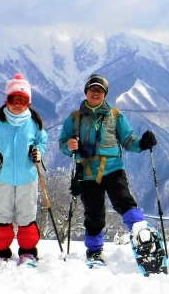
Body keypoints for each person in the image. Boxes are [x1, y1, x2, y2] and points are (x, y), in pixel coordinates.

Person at [58, 73, 160, 268]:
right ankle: (94, 252)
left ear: (104, 94)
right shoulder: (74, 118)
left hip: (113, 168)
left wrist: (143, 144)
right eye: (92, 89)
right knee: (94, 213)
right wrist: (68, 146)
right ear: (86, 92)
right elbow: (62, 144)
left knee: (124, 200)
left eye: (100, 90)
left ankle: (141, 232)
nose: (96, 93)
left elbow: (129, 141)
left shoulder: (115, 115)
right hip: (87, 172)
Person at [0, 74, 48, 267]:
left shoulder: (34, 123)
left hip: (28, 177)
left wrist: (38, 152)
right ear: (6, 101)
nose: (17, 104)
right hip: (3, 178)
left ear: (29, 102)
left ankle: (28, 252)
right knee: (1, 216)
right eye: (13, 99)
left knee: (27, 216)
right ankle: (1, 253)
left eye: (23, 100)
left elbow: (42, 141)